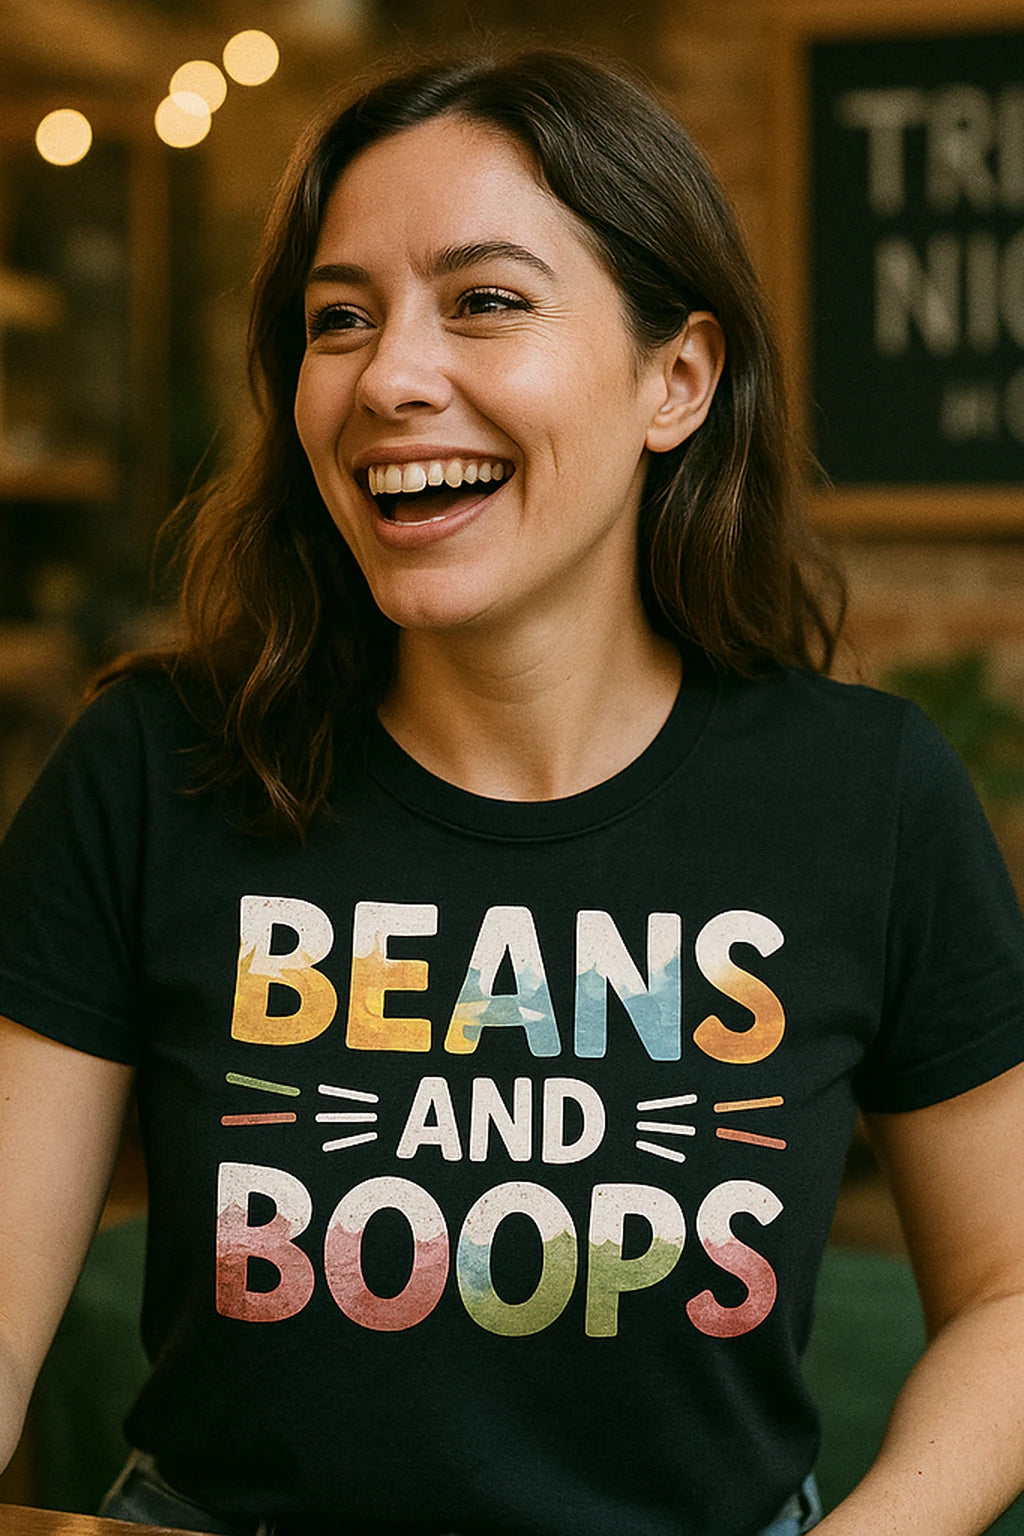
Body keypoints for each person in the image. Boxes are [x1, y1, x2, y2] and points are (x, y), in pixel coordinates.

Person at [1, 46, 1024, 1536]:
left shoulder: (863, 796)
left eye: (485, 300)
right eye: (337, 319)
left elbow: (1009, 1289)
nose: (391, 378)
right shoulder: (155, 771)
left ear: (676, 377)